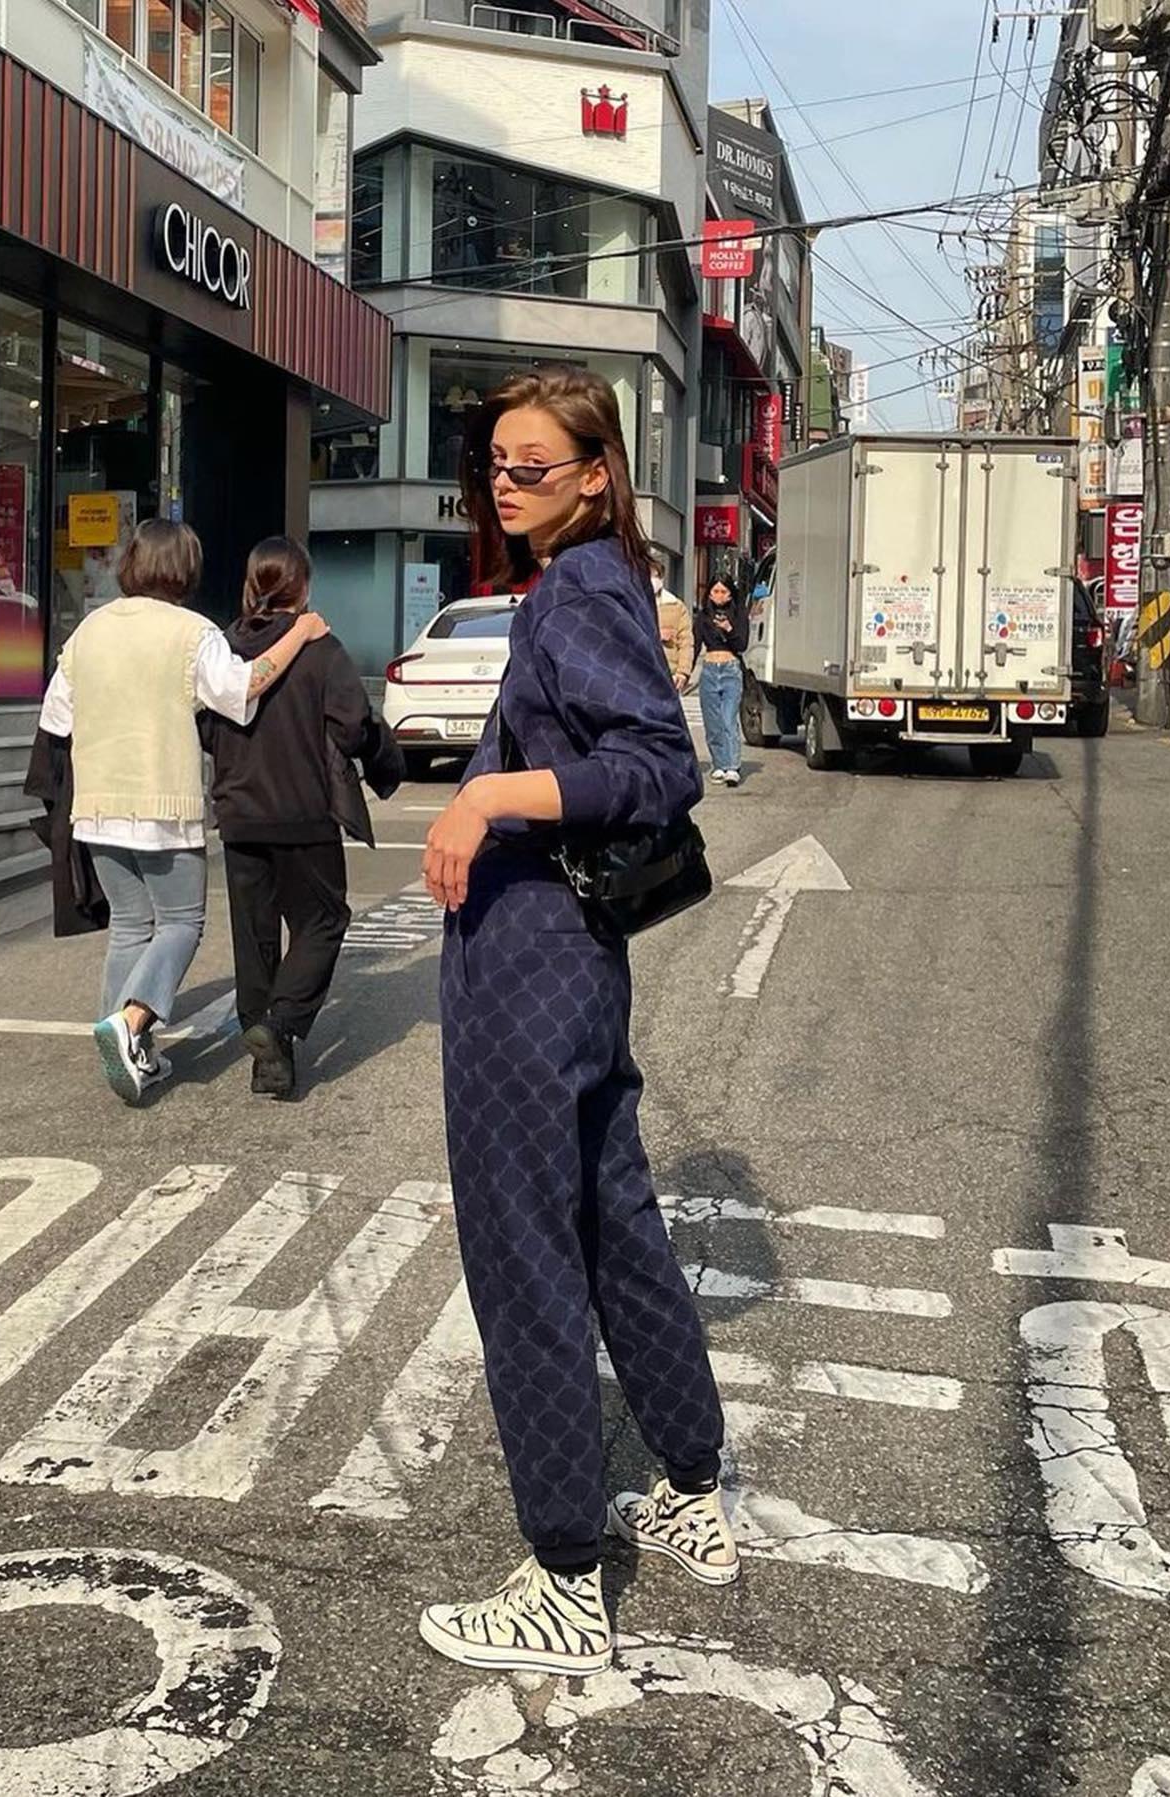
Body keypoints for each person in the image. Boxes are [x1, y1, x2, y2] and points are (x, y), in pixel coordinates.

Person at [416, 366, 735, 1679]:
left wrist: (487, 800)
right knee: (613, 1225)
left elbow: (655, 766)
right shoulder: (595, 581)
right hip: (576, 963)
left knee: (525, 1254)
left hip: (527, 964)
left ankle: (561, 1575)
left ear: (597, 475)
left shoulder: (579, 590)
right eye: (496, 463)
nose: (506, 483)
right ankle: (694, 1489)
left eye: (533, 464)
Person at [38, 518, 329, 1104]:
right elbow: (241, 688)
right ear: (186, 568)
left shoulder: (89, 630)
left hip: (95, 805)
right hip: (163, 805)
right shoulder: (193, 633)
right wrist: (299, 633)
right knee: (180, 924)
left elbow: (56, 719)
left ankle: (127, 1043)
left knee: (130, 924)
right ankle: (130, 1024)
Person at [200, 536, 404, 1100]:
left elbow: (206, 725)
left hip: (239, 811)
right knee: (323, 920)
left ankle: (270, 1057)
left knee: (255, 934)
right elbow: (352, 726)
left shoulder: (225, 648)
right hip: (304, 810)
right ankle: (282, 1021)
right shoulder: (321, 648)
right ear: (304, 586)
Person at [695, 574, 750, 787]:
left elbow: (742, 644)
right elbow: (695, 645)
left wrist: (729, 629)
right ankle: (719, 764)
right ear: (709, 594)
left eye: (723, 591)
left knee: (728, 719)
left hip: (730, 670)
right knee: (712, 722)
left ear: (730, 594)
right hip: (709, 670)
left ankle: (732, 767)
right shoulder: (702, 617)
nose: (719, 595)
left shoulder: (739, 614)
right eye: (715, 591)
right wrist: (684, 673)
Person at [651, 556, 695, 693]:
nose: (653, 580)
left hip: (669, 673)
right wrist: (657, 634)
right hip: (640, 671)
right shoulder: (633, 603)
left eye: (656, 576)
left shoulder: (676, 606)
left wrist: (683, 672)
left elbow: (686, 641)